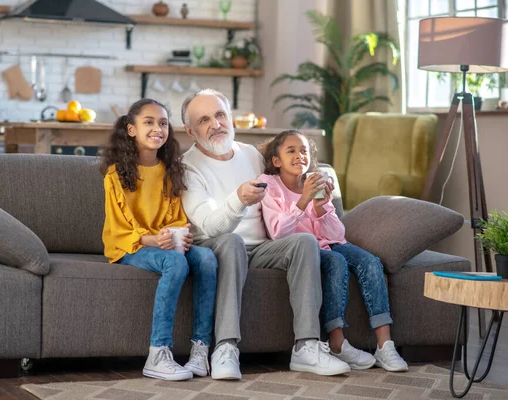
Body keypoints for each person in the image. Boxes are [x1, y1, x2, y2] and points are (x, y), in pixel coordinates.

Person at [180, 89, 351, 380]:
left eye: (220, 115)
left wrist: (316, 190)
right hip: (217, 246)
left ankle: (306, 347)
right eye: (204, 119)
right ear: (190, 131)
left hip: (263, 249)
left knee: (304, 242)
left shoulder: (251, 155)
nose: (216, 124)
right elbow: (209, 226)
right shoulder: (187, 166)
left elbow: (286, 176)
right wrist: (239, 200)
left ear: (231, 117)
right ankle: (225, 347)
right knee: (232, 241)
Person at [258, 129, 409, 372]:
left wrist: (320, 209)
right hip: (300, 250)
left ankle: (385, 345)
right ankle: (337, 342)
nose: (300, 156)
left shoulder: (315, 181)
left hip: (329, 243)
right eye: (291, 151)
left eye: (304, 151)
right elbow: (278, 233)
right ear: (276, 161)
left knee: (371, 262)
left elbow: (337, 235)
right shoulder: (271, 187)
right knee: (336, 262)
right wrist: (303, 202)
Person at [101, 98, 218, 381]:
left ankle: (200, 349)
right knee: (175, 263)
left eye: (163, 123)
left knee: (206, 258)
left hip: (164, 243)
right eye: (149, 122)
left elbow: (176, 217)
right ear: (131, 130)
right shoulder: (115, 174)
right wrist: (152, 240)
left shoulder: (171, 170)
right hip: (130, 245)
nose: (158, 128)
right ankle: (158, 352)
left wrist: (181, 236)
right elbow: (119, 226)